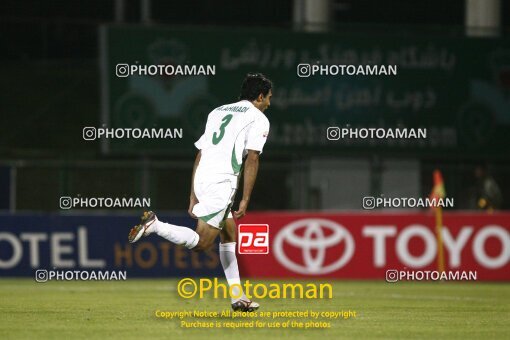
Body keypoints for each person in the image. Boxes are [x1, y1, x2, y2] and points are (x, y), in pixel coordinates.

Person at [128, 73, 272, 312]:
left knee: (229, 235)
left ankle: (238, 297)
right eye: (268, 97)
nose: (269, 103)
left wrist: (192, 194)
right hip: (222, 183)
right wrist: (245, 199)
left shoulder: (217, 111)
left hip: (203, 177)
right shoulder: (258, 118)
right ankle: (156, 225)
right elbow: (252, 159)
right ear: (259, 96)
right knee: (202, 243)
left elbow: (201, 152)